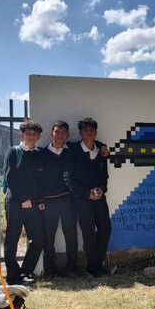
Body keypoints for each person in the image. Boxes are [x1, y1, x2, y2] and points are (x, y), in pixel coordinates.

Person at [2, 119, 46, 285]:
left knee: (38, 239)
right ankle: (13, 277)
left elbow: (40, 179)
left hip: (34, 204)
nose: (31, 136)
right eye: (28, 133)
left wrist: (39, 200)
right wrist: (23, 199)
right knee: (12, 239)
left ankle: (25, 273)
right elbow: (10, 177)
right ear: (22, 134)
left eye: (35, 134)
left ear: (38, 136)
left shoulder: (38, 153)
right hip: (15, 202)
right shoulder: (14, 152)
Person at [69, 118, 111, 278]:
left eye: (92, 130)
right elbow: (69, 178)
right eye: (86, 130)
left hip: (100, 198)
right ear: (80, 133)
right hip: (82, 199)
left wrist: (101, 189)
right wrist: (87, 193)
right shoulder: (73, 150)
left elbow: (104, 175)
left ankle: (97, 265)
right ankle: (92, 268)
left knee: (105, 229)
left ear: (96, 132)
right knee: (88, 233)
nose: (89, 133)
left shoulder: (101, 149)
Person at [37, 121, 78, 278]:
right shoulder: (41, 153)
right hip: (48, 201)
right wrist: (40, 200)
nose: (60, 135)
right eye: (57, 131)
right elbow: (37, 179)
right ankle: (49, 270)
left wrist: (102, 147)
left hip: (68, 200)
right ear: (51, 133)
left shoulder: (72, 151)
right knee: (49, 236)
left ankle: (72, 268)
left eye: (63, 132)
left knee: (71, 235)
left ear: (67, 135)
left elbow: (90, 143)